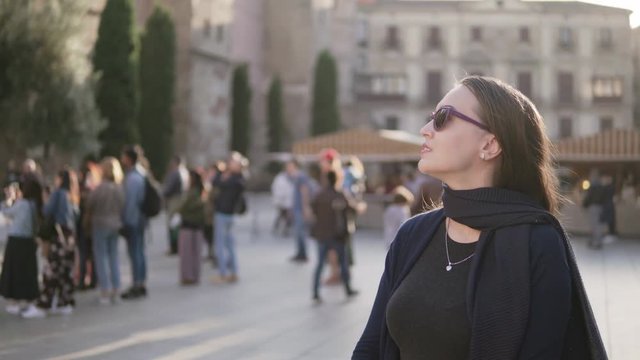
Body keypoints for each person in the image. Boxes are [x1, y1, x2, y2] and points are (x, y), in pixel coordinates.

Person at [353, 76, 606, 359]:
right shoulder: (413, 233)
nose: (425, 130)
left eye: (442, 118)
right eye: (430, 117)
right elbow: (371, 346)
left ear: (490, 144)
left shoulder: (538, 243)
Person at [23, 168, 79, 318]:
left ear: (60, 178)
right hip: (69, 236)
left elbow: (48, 211)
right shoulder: (71, 194)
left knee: (52, 270)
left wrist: (45, 199)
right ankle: (64, 301)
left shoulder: (58, 193)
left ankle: (44, 304)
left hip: (58, 235)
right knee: (65, 271)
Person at [310, 171, 358, 302]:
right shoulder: (340, 194)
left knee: (320, 264)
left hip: (322, 234)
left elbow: (313, 210)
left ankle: (315, 292)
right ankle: (348, 289)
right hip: (337, 235)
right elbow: (352, 209)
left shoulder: (319, 195)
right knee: (343, 262)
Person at [0, 180, 42, 315]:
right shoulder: (35, 205)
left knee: (16, 273)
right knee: (27, 273)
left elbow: (7, 212)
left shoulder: (23, 204)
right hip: (28, 241)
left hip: (17, 241)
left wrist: (8, 200)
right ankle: (26, 301)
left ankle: (17, 301)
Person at [87, 157, 125, 305]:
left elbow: (90, 203)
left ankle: (105, 289)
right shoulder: (119, 188)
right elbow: (123, 205)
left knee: (101, 257)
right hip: (115, 224)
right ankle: (116, 287)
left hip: (100, 223)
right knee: (113, 256)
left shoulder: (100, 188)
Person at [211, 152, 248, 283]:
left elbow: (218, 183)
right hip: (228, 214)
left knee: (221, 244)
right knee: (229, 244)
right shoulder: (236, 178)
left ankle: (223, 273)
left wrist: (223, 175)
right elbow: (215, 182)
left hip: (224, 213)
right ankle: (233, 271)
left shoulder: (236, 180)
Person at [120, 146, 148, 300]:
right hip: (141, 219)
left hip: (134, 220)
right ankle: (141, 282)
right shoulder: (141, 174)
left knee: (135, 252)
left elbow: (131, 203)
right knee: (140, 252)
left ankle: (137, 283)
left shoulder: (133, 178)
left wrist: (126, 222)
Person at [176, 169, 206, 285]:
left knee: (187, 252)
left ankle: (188, 276)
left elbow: (183, 206)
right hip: (197, 225)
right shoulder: (202, 191)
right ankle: (195, 275)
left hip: (188, 224)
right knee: (196, 252)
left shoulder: (192, 192)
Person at [286, 159, 313, 262]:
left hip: (301, 209)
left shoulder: (301, 177)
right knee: (298, 232)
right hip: (297, 208)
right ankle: (300, 253)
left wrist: (305, 207)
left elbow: (304, 192)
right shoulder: (293, 178)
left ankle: (303, 254)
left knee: (301, 232)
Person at [163, 156, 189, 256]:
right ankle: (177, 246)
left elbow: (169, 188)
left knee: (172, 224)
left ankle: (174, 247)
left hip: (174, 199)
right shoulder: (184, 172)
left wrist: (163, 194)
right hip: (181, 199)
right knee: (177, 224)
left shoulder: (175, 173)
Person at [582, 170, 606, 250]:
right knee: (598, 225)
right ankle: (597, 241)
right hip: (600, 207)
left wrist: (584, 205)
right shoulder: (601, 186)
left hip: (593, 207)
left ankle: (595, 242)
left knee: (594, 225)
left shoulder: (592, 186)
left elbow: (588, 197)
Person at [271, 164, 294, 237]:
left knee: (286, 216)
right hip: (282, 201)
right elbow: (277, 189)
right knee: (282, 215)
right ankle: (278, 227)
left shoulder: (294, 176)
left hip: (289, 201)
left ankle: (285, 229)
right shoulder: (280, 178)